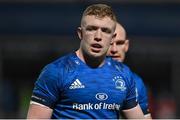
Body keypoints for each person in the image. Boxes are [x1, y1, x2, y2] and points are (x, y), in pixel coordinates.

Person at [27, 4, 146, 119]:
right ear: (80, 33)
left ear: (112, 38)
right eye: (92, 29)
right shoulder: (56, 72)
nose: (98, 36)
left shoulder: (124, 73)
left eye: (105, 31)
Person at [107, 22, 152, 118]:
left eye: (119, 43)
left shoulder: (136, 82)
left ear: (126, 45)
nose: (114, 49)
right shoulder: (79, 75)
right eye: (109, 44)